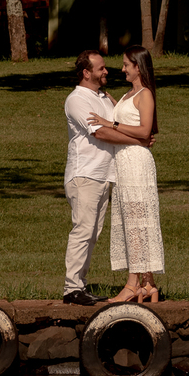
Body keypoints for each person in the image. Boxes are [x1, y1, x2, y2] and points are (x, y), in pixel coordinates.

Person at [61, 50, 148, 306]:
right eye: (100, 68)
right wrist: (140, 140)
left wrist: (140, 135)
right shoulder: (77, 100)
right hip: (84, 173)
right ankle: (72, 288)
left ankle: (80, 285)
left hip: (104, 175)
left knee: (93, 232)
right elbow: (99, 133)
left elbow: (119, 125)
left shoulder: (104, 98)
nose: (107, 71)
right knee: (83, 230)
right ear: (86, 73)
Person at [88, 44, 164, 303]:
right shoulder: (126, 95)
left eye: (125, 65)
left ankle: (133, 285)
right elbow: (138, 133)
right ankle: (148, 283)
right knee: (131, 220)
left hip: (137, 165)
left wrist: (112, 124)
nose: (121, 69)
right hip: (123, 163)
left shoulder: (145, 94)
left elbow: (144, 131)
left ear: (138, 67)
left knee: (137, 220)